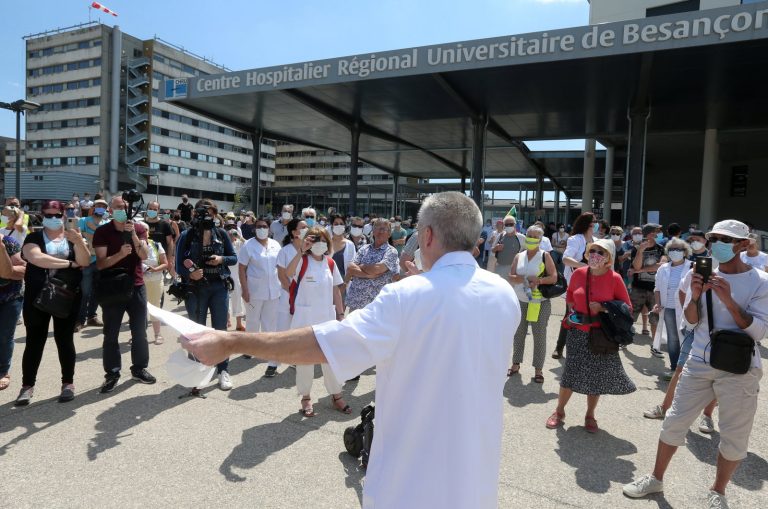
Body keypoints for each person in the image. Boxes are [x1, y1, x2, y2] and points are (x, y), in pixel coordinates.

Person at [182, 191, 521, 508]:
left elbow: (320, 344)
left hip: (410, 485)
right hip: (475, 483)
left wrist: (232, 340)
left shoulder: (407, 296)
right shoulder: (502, 293)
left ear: (428, 236)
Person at [623, 220, 767, 509]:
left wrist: (726, 297)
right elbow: (690, 319)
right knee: (674, 422)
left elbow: (758, 332)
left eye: (726, 239)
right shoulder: (698, 274)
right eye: (714, 238)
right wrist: (698, 295)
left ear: (742, 245)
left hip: (739, 367)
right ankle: (656, 478)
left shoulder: (761, 281)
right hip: (699, 360)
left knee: (734, 435)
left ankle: (718, 491)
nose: (718, 244)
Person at [545, 238, 636, 433]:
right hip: (577, 332)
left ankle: (590, 415)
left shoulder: (615, 278)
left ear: (609, 258)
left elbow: (627, 308)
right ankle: (559, 411)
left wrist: (603, 307)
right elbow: (570, 294)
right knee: (570, 373)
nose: (595, 255)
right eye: (592, 250)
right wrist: (572, 311)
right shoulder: (579, 273)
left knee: (596, 378)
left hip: (601, 334)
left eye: (600, 252)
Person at [15, 200, 90, 405]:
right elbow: (36, 258)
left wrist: (79, 242)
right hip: (37, 297)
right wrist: (69, 263)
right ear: (42, 215)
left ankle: (68, 383)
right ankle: (27, 386)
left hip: (66, 297)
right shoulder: (34, 237)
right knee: (34, 342)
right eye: (49, 215)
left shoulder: (72, 238)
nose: (53, 219)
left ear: (64, 216)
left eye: (57, 215)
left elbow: (85, 261)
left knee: (65, 341)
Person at [283, 225, 350, 417]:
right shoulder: (302, 261)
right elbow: (288, 273)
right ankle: (305, 397)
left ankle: (336, 395)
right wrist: (300, 251)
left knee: (330, 359)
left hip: (327, 319)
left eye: (322, 240)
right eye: (314, 240)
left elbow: (336, 290)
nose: (319, 244)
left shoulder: (330, 263)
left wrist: (340, 314)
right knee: (305, 360)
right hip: (305, 320)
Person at [94, 195, 156, 393]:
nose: (123, 210)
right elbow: (101, 264)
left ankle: (139, 368)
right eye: (119, 207)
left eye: (126, 207)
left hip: (136, 285)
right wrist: (120, 254)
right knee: (111, 333)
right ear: (111, 210)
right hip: (112, 287)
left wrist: (135, 236)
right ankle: (112, 372)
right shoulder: (103, 232)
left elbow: (145, 255)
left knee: (139, 331)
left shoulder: (138, 228)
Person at [175, 199, 238, 392]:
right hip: (195, 289)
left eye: (209, 213)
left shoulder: (221, 234)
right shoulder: (187, 235)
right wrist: (190, 273)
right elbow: (178, 264)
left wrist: (221, 259)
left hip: (218, 286)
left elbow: (233, 258)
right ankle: (197, 371)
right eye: (202, 214)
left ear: (215, 214)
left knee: (220, 331)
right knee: (196, 332)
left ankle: (223, 370)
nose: (205, 217)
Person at [507, 225, 558, 382]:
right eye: (529, 235)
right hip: (521, 300)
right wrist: (524, 279)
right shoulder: (519, 256)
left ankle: (538, 370)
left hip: (539, 302)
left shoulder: (545, 256)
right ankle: (515, 364)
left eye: (535, 236)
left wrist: (539, 280)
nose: (531, 238)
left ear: (540, 240)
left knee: (539, 335)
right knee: (519, 333)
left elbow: (554, 277)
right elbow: (511, 275)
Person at [238, 216, 281, 378]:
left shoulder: (276, 244)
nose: (262, 229)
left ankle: (269, 351)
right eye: (259, 226)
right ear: (254, 228)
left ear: (269, 229)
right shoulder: (248, 245)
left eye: (264, 226)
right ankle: (250, 348)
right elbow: (242, 269)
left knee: (270, 322)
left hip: (274, 290)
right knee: (253, 320)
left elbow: (280, 266)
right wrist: (244, 289)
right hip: (254, 290)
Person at [552, 212, 596, 359]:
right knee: (570, 315)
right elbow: (566, 258)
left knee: (590, 316)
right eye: (592, 223)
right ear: (586, 224)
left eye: (595, 223)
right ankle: (559, 347)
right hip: (575, 285)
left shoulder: (596, 240)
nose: (595, 225)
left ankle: (586, 349)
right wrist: (582, 265)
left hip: (593, 285)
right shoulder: (575, 239)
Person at [651, 238, 691, 381]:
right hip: (667, 308)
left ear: (685, 252)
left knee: (688, 338)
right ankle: (675, 368)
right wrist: (658, 303)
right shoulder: (663, 268)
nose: (675, 252)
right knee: (673, 339)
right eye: (672, 249)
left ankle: (688, 371)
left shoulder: (692, 267)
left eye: (678, 249)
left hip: (687, 309)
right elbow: (657, 289)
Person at [345, 218, 400, 313]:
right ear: (373, 231)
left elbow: (378, 269)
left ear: (389, 234)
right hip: (356, 303)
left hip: (376, 306)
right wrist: (368, 275)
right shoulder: (364, 248)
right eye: (377, 228)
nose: (380, 231)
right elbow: (350, 268)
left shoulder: (391, 251)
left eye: (384, 229)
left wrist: (361, 266)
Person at [631, 223, 666, 358]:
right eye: (654, 232)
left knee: (655, 319)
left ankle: (655, 346)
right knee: (631, 316)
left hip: (655, 289)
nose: (657, 235)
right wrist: (640, 251)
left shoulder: (661, 249)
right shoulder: (636, 248)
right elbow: (636, 265)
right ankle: (624, 340)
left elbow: (661, 265)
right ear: (648, 234)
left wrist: (640, 270)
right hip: (638, 288)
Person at [74, 199, 108, 332]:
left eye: (103, 207)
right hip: (86, 261)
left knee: (97, 292)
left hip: (100, 261)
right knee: (84, 292)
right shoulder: (83, 221)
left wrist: (91, 234)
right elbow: (78, 238)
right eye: (98, 205)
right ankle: (80, 319)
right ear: (94, 207)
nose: (101, 208)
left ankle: (92, 316)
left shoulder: (107, 223)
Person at [0, 230, 26, 392]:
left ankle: (3, 370)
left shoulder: (9, 242)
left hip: (11, 297)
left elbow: (20, 272)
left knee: (4, 335)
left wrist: (1, 248)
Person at [142, 232, 168, 345]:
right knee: (138, 308)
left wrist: (154, 269)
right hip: (139, 282)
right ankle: (139, 334)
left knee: (155, 306)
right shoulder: (131, 245)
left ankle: (158, 334)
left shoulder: (156, 245)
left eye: (142, 232)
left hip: (155, 280)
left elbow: (165, 263)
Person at [144, 201, 176, 280]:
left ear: (158, 211)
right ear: (147, 209)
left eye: (155, 209)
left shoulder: (164, 224)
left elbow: (170, 243)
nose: (152, 211)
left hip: (161, 262)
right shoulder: (142, 224)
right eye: (150, 209)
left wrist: (169, 260)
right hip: (144, 262)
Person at [490, 215, 526, 280]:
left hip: (515, 269)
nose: (509, 226)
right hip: (500, 268)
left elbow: (528, 251)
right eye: (507, 224)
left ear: (515, 225)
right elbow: (492, 249)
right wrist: (496, 248)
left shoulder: (521, 237)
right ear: (504, 225)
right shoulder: (500, 236)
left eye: (511, 224)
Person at [225, 225, 246, 332]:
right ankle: (227, 320)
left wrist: (239, 236)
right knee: (225, 299)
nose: (231, 235)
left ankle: (239, 323)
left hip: (237, 275)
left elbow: (249, 245)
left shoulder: (239, 244)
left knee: (238, 299)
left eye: (233, 233)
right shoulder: (223, 245)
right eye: (229, 233)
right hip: (226, 275)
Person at [330, 214, 356, 284]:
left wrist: (344, 284)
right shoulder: (326, 243)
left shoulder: (350, 245)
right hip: (326, 283)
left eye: (341, 224)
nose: (339, 226)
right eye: (336, 224)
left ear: (344, 226)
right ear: (332, 226)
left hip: (343, 284)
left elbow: (352, 266)